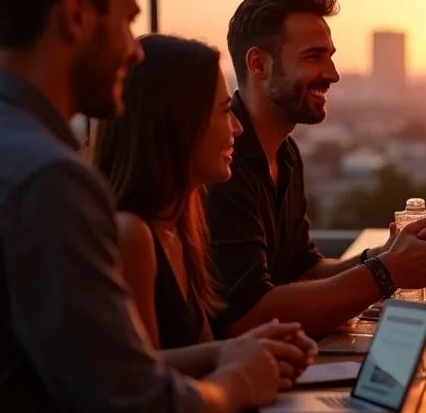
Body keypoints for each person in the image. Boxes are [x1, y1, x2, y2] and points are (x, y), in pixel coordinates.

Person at [0, 0, 293, 413]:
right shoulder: (45, 181)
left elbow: (96, 370)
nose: (135, 52)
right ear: (78, 13)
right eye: (128, 20)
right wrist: (241, 380)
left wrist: (229, 352)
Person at [207, 0, 426, 339]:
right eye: (313, 57)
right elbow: (248, 315)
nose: (333, 73)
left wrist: (385, 254)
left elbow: (305, 271)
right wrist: (387, 271)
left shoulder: (286, 152)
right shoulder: (221, 160)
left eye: (330, 56)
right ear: (258, 64)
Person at [94, 34, 316, 374]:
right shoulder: (131, 235)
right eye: (225, 111)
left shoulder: (181, 225)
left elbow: (200, 353)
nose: (238, 127)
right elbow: (141, 380)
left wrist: (252, 349)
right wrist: (236, 357)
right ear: (178, 122)